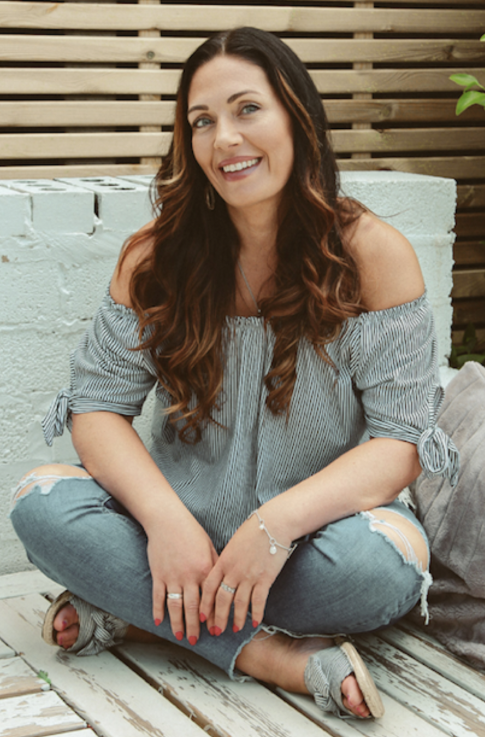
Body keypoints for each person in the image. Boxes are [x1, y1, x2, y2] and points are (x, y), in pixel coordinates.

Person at [10, 27, 458, 720]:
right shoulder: (153, 257)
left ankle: (140, 615)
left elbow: (400, 441)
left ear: (296, 117)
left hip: (315, 540)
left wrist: (273, 526)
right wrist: (164, 522)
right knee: (41, 507)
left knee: (379, 573)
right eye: (201, 121)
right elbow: (96, 406)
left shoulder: (373, 254)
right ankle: (264, 653)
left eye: (247, 109)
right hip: (175, 535)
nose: (224, 139)